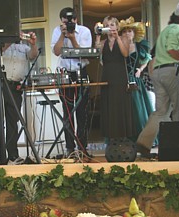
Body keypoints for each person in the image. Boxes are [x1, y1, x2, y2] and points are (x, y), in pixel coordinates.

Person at [136, 13, 179, 157]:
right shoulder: (177, 29)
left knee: (160, 111)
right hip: (172, 70)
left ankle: (144, 142)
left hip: (158, 72)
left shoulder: (164, 31)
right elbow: (172, 49)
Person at [0, 31, 39, 165]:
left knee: (13, 120)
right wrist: (10, 39)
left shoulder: (23, 47)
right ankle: (0, 156)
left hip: (15, 85)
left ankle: (13, 155)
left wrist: (33, 44)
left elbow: (33, 55)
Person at [51, 7, 92, 156]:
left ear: (76, 20)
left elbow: (84, 53)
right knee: (67, 111)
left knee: (82, 111)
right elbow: (56, 52)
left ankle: (83, 146)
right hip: (65, 73)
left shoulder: (85, 31)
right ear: (61, 21)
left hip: (81, 71)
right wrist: (63, 36)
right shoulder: (57, 31)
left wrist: (73, 37)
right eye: (65, 22)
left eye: (71, 22)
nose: (68, 24)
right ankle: (69, 147)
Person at [94, 16, 136, 144]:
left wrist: (117, 37)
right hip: (107, 76)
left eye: (112, 25)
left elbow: (125, 54)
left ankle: (123, 137)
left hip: (120, 77)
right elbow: (96, 53)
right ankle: (110, 138)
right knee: (109, 105)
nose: (110, 27)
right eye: (107, 25)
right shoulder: (103, 43)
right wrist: (97, 35)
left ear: (117, 27)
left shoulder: (124, 38)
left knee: (120, 105)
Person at [119, 16, 155, 138]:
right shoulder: (118, 46)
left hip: (135, 80)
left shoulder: (140, 46)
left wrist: (140, 69)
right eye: (124, 31)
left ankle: (142, 138)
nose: (127, 33)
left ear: (134, 33)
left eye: (129, 31)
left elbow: (146, 59)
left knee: (138, 109)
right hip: (122, 80)